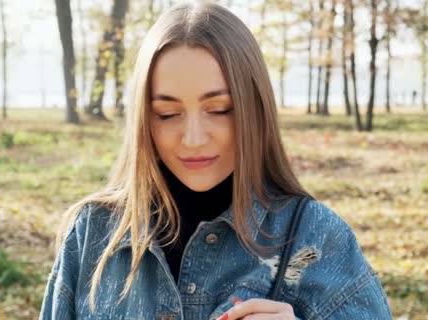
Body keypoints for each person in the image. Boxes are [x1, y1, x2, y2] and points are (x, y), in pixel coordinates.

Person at [40, 2, 392, 319]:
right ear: (143, 121)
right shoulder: (92, 234)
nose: (193, 138)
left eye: (219, 110)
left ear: (255, 109)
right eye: (167, 113)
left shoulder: (318, 238)